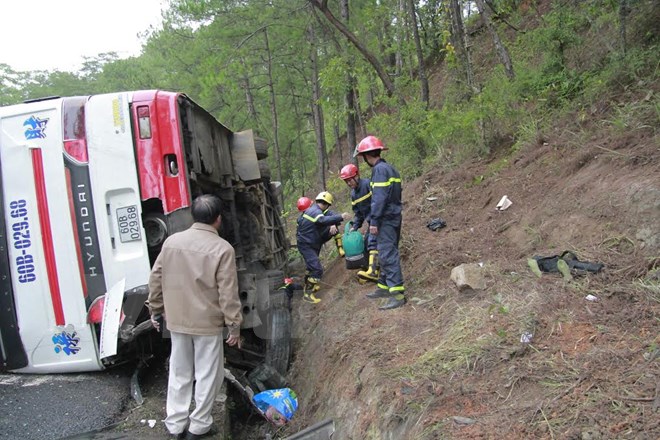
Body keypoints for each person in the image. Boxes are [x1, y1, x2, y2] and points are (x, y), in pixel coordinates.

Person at [146, 194, 242, 440]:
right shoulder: (222, 249)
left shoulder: (171, 242)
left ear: (194, 216)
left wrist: (155, 308)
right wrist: (234, 326)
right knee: (208, 374)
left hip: (177, 321)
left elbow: (156, 278)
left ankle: (175, 425)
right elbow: (227, 293)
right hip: (207, 323)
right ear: (218, 219)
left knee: (179, 372)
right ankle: (199, 426)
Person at [354, 135, 406, 310]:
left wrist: (374, 220)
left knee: (387, 254)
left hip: (385, 219)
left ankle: (397, 294)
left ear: (368, 156)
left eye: (363, 157)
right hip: (393, 217)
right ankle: (384, 287)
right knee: (385, 252)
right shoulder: (390, 169)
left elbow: (379, 198)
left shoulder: (379, 171)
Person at [296, 191, 350, 303]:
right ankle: (308, 294)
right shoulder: (314, 212)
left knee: (311, 267)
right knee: (317, 269)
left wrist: (333, 223)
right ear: (327, 204)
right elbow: (322, 220)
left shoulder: (317, 211)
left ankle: (310, 285)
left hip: (313, 242)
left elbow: (329, 216)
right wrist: (341, 216)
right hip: (307, 245)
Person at [339, 163, 379, 283]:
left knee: (372, 241)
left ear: (356, 176)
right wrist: (355, 226)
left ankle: (373, 271)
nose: (348, 183)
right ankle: (368, 270)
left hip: (379, 219)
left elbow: (379, 201)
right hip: (371, 221)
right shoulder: (353, 194)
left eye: (349, 180)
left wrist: (376, 220)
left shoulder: (368, 184)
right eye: (346, 181)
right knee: (366, 242)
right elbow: (359, 213)